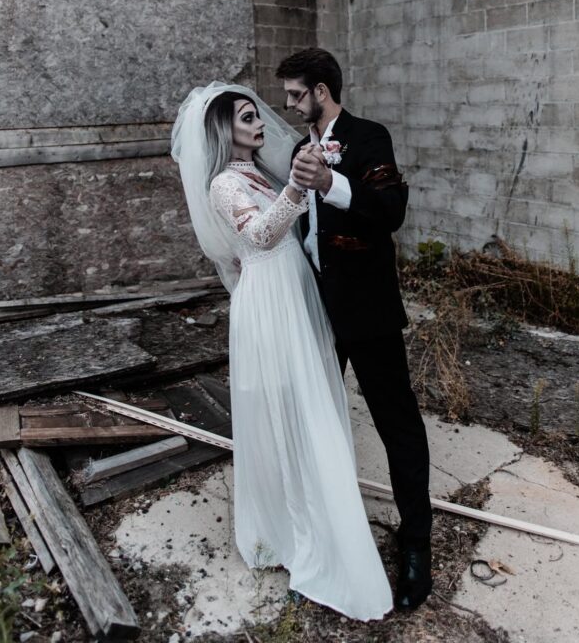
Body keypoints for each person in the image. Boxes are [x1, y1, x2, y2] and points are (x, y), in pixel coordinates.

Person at [171, 82, 392, 621]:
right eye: (248, 117)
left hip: (291, 294)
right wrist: (296, 189)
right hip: (270, 305)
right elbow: (262, 236)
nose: (260, 122)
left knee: (305, 406)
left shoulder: (256, 174)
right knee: (284, 413)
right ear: (227, 130)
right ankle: (291, 534)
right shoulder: (224, 183)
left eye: (256, 114)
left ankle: (313, 520)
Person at [275, 48, 433, 611]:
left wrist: (333, 183)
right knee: (314, 422)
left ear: (322, 90)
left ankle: (417, 545)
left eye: (296, 94)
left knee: (397, 424)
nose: (290, 105)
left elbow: (390, 211)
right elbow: (296, 225)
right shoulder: (297, 149)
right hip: (316, 312)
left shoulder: (369, 136)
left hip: (367, 311)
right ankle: (322, 542)